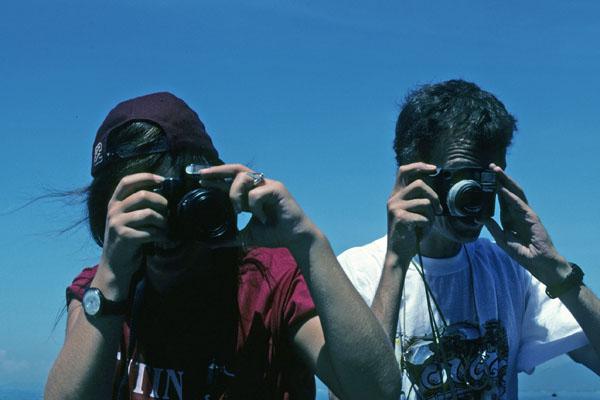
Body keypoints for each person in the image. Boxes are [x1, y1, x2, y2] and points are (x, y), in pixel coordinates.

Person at [44, 92, 401, 400]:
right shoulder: (102, 291)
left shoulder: (269, 283)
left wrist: (306, 241)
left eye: (177, 204)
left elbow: (375, 390)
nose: (165, 232)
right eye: (142, 209)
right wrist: (110, 278)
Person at [337, 80, 600, 399]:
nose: (476, 194)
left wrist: (554, 269)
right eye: (463, 177)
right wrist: (396, 261)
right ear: (414, 173)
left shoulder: (509, 271)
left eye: (489, 178)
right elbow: (356, 393)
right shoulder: (357, 271)